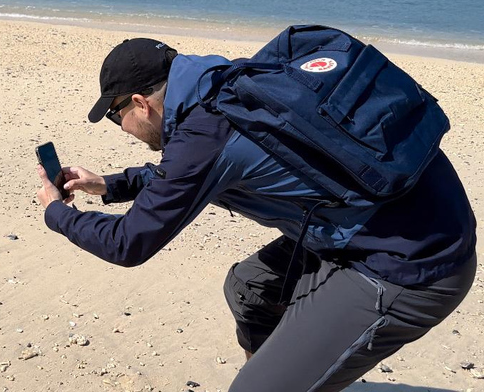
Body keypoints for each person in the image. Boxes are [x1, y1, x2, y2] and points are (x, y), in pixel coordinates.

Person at [35, 37, 477, 391]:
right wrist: (109, 185)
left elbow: (127, 243)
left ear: (140, 102)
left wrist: (56, 213)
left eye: (116, 117)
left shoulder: (205, 133)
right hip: (386, 222)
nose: (123, 130)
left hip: (411, 263)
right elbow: (192, 173)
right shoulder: (228, 84)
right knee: (250, 288)